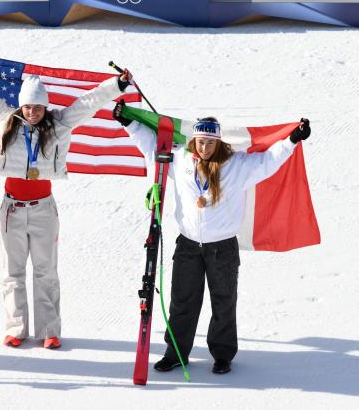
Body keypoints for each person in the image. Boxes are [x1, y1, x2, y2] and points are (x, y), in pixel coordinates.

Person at [113, 103, 311, 373]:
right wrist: (130, 123)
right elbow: (153, 148)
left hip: (223, 247)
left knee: (224, 301)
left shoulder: (235, 166)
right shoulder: (181, 160)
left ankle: (222, 355)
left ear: (218, 143)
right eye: (200, 141)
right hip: (188, 245)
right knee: (182, 301)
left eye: (209, 142)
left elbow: (267, 162)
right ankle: (175, 353)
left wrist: (292, 140)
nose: (204, 147)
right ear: (194, 141)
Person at [0, 65, 133, 348]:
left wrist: (116, 85)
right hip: (12, 210)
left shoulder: (60, 124)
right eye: (28, 107)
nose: (33, 112)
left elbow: (89, 101)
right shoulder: (7, 119)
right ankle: (16, 328)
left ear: (45, 106)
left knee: (45, 270)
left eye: (38, 107)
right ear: (22, 106)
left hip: (43, 208)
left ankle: (49, 330)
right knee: (13, 270)